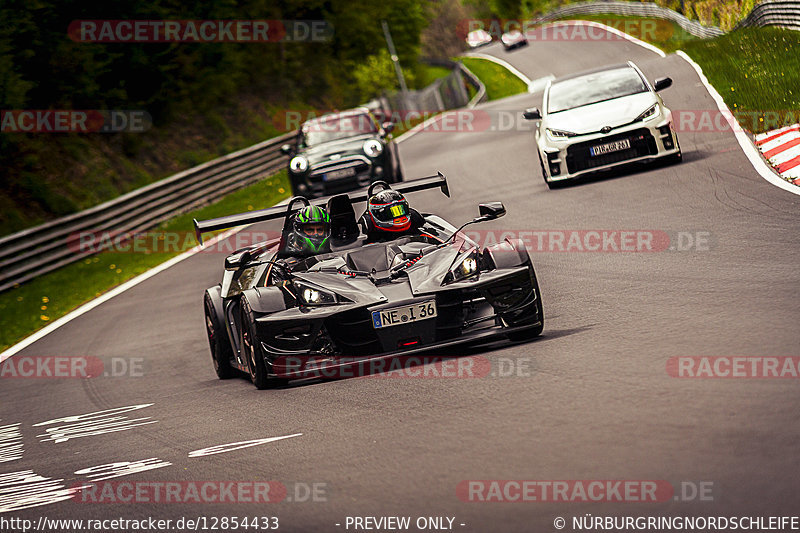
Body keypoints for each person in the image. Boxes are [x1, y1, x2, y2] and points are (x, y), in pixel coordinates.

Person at [359, 189, 425, 241]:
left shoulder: (415, 221)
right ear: (378, 214)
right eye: (393, 212)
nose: (399, 217)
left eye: (401, 210)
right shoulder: (371, 238)